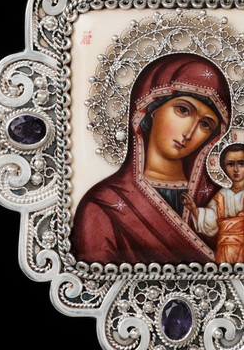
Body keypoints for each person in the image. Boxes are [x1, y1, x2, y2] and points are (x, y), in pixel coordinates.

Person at [73, 53, 231, 265]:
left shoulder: (218, 200)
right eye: (183, 110)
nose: (189, 133)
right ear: (151, 108)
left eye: (205, 124)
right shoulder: (103, 204)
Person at [183, 144, 244, 264]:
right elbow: (212, 220)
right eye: (230, 164)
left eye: (241, 163)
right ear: (224, 167)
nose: (236, 169)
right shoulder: (221, 195)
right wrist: (194, 209)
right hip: (223, 250)